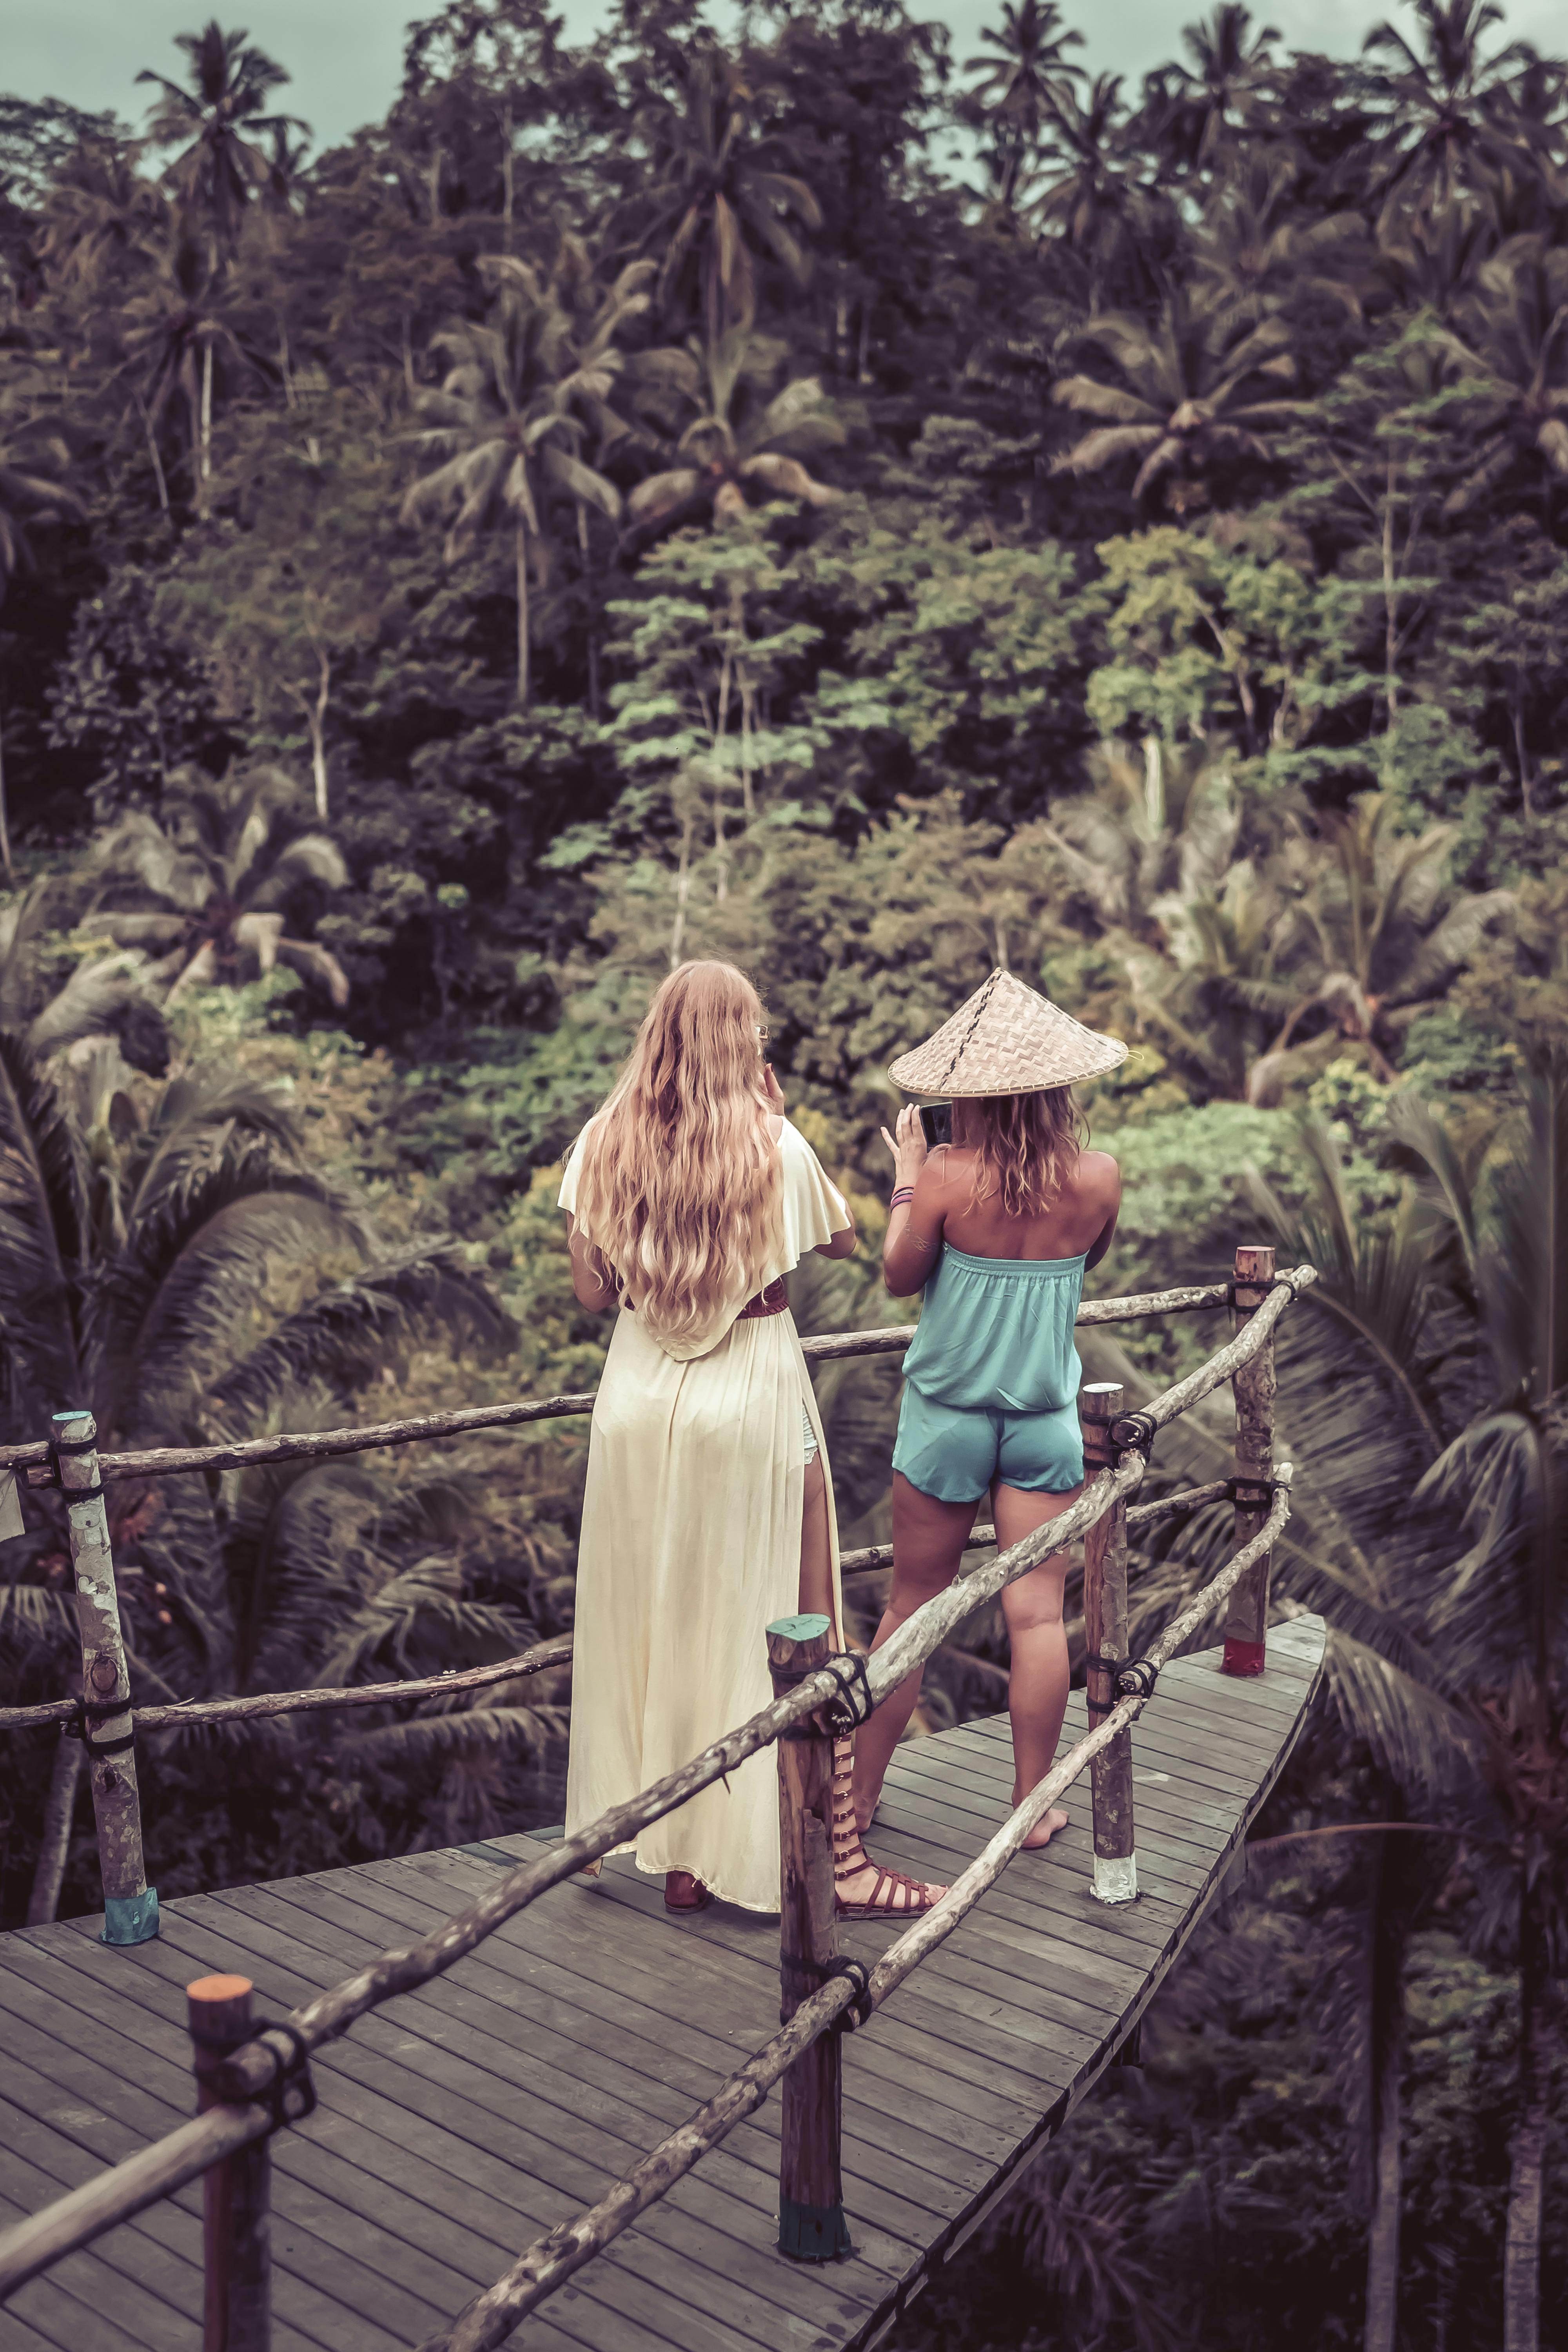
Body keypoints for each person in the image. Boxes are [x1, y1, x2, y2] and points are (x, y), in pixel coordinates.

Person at [560, 959, 943, 1919]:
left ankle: (681, 1860)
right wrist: (773, 1113)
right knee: (801, 1616)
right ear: (744, 1045)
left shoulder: (601, 1144)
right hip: (749, 1389)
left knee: (657, 1619)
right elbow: (851, 1244)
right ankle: (842, 1859)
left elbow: (592, 1294)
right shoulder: (774, 1144)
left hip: (638, 1396)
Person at [851, 969, 1125, 1852]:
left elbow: (897, 1275)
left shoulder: (940, 1173)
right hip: (1042, 1416)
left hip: (945, 1417)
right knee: (1038, 1617)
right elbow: (1085, 1261)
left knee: (912, 1608)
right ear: (1057, 1088)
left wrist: (904, 1176)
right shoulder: (1097, 1177)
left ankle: (851, 1804)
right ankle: (1032, 1806)